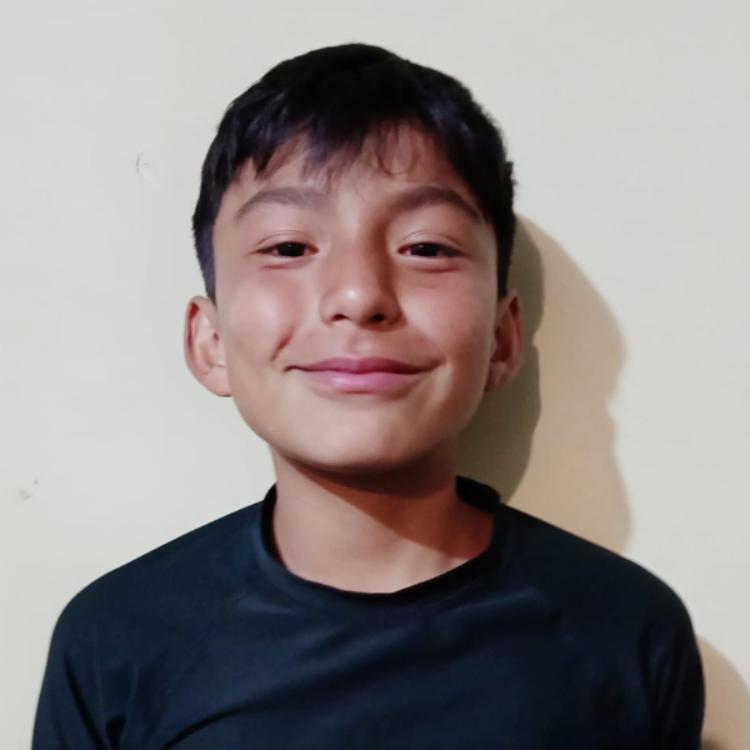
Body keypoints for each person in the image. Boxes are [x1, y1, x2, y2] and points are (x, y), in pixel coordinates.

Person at [32, 42, 704, 748]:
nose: (359, 295)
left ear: (503, 339)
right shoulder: (117, 641)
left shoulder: (627, 632)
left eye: (426, 247)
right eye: (288, 247)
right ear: (211, 341)